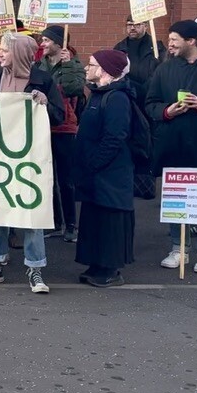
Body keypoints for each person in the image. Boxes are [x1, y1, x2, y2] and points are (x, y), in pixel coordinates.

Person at [0, 33, 64, 293]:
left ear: (21, 53)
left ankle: (35, 269)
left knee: (31, 212)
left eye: (4, 50)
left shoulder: (43, 80)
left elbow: (59, 116)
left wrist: (44, 104)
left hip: (30, 159)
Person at [147, 20, 197, 275]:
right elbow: (150, 104)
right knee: (175, 200)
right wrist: (167, 111)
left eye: (175, 39)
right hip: (174, 145)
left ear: (191, 41)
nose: (169, 43)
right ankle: (178, 248)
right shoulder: (164, 69)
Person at [73, 49, 137, 287]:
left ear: (105, 70)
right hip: (96, 173)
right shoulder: (99, 94)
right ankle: (96, 263)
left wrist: (94, 163)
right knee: (95, 219)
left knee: (110, 221)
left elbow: (115, 136)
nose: (87, 69)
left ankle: (110, 268)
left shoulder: (117, 97)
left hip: (111, 173)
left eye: (91, 65)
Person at [37, 25, 84, 241]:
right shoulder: (40, 64)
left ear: (58, 42)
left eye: (46, 40)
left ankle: (71, 225)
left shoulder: (73, 63)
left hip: (65, 126)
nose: (43, 44)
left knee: (66, 178)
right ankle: (54, 222)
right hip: (44, 124)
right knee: (48, 177)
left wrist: (68, 66)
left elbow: (74, 89)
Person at [114, 18, 164, 101]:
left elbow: (162, 71)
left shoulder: (157, 47)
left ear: (146, 26)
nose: (132, 28)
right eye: (129, 25)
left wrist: (147, 88)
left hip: (150, 96)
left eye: (137, 24)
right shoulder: (120, 48)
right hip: (127, 94)